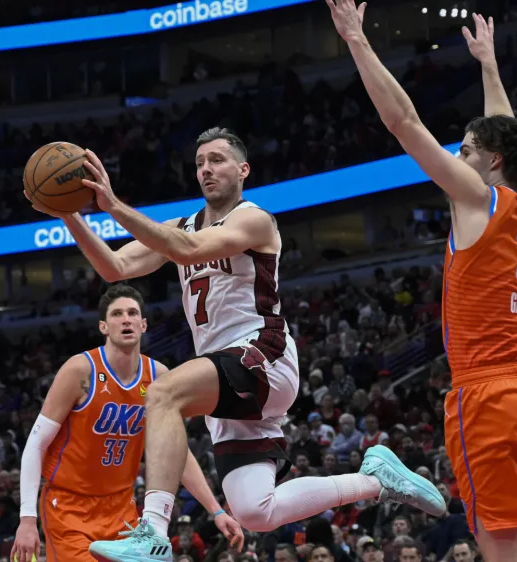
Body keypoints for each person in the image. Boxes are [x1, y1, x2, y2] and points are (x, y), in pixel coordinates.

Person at [24, 131, 444, 561]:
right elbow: (114, 268)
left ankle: (151, 529)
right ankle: (376, 480)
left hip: (262, 354)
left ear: (242, 170)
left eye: (218, 160)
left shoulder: (254, 220)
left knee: (163, 393)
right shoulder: (179, 226)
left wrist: (112, 206)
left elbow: (188, 251)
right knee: (254, 509)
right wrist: (70, 214)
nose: (206, 168)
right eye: (200, 162)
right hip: (224, 376)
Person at [326, 2, 517, 560]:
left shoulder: (477, 199)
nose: (456, 159)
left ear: (492, 163)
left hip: (490, 394)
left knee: (501, 545)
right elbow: (505, 133)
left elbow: (404, 122)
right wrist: (487, 66)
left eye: (464, 152)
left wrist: (358, 40)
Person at [9, 285, 241, 562]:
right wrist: (26, 519)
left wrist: (216, 510)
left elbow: (176, 454)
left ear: (143, 325)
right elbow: (36, 443)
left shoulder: (159, 378)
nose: (126, 319)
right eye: (117, 314)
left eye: (132, 313)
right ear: (104, 327)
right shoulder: (79, 370)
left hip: (122, 507)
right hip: (68, 507)